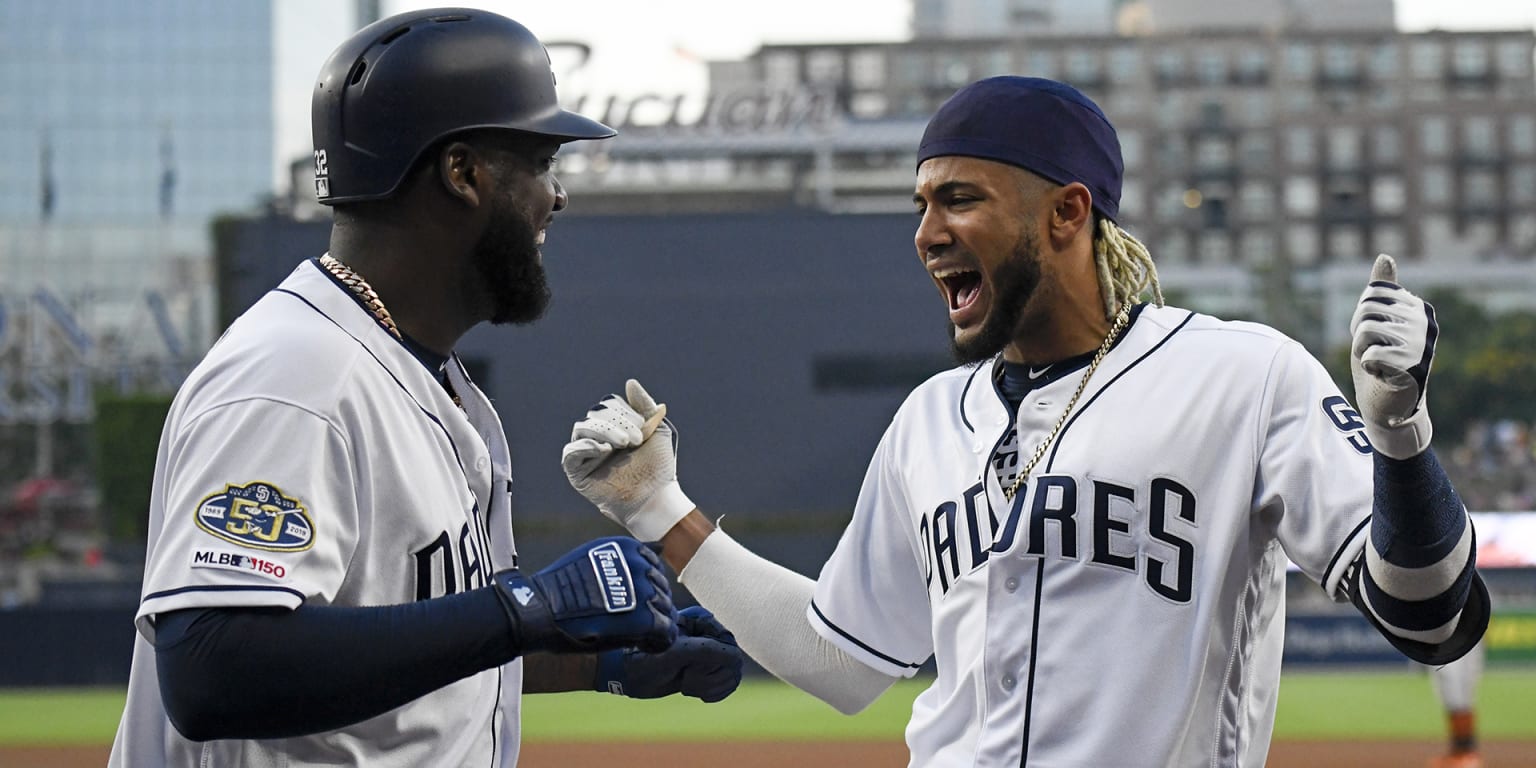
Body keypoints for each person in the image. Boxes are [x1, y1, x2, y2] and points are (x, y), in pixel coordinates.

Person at [559, 76, 1490, 766]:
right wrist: (655, 507)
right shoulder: (929, 420)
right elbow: (840, 657)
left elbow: (1434, 621)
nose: (925, 232)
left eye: (958, 198)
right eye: (921, 203)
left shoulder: (1240, 376)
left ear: (1065, 213)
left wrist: (1401, 438)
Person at [108, 9, 742, 767]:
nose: (558, 196)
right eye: (541, 161)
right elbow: (213, 665)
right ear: (463, 173)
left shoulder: (417, 373)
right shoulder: (294, 376)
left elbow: (398, 643)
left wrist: (595, 664)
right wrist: (525, 606)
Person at [1428, 637, 1487, 768]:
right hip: (1445, 638)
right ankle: (1460, 749)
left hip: (1462, 636)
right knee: (1450, 693)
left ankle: (1467, 751)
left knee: (1458, 693)